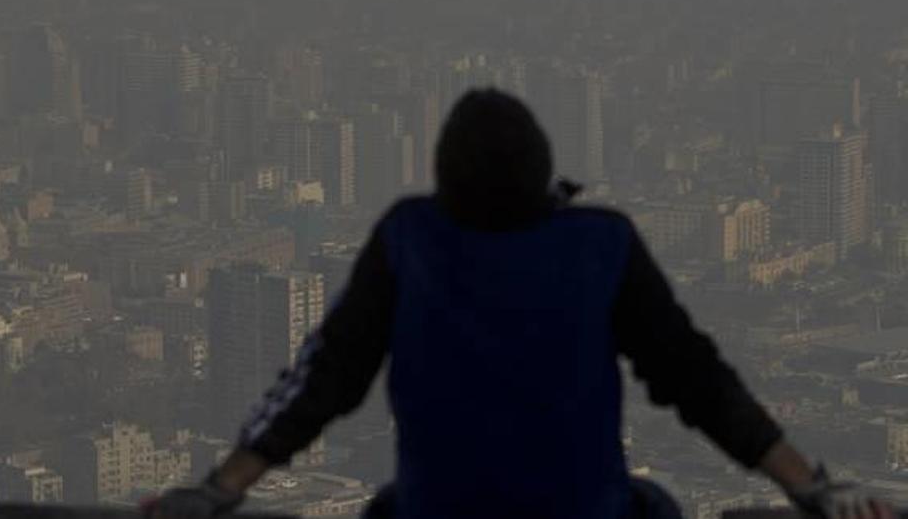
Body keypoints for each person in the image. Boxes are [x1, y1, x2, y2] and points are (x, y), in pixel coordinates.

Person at [146, 89, 894, 519]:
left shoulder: (411, 238)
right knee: (657, 508)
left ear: (447, 183)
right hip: (586, 513)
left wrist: (220, 489)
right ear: (545, 182)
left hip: (437, 514)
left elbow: (324, 379)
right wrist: (810, 487)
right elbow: (696, 379)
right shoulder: (599, 243)